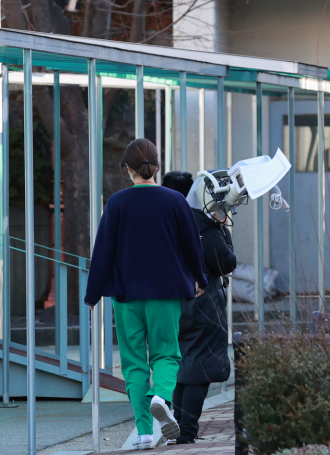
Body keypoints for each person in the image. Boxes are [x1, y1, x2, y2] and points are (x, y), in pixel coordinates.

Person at [84, 139, 208, 450]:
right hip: (166, 293)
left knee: (134, 363)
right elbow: (192, 245)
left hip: (126, 296)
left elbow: (103, 252)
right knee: (166, 354)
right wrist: (200, 277)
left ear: (126, 168)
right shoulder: (174, 201)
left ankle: (144, 433)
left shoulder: (117, 203)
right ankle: (161, 397)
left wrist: (92, 295)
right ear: (157, 167)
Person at [162, 172, 235, 445]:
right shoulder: (200, 224)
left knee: (184, 366)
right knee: (200, 367)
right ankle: (186, 430)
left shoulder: (166, 222)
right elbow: (225, 262)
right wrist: (222, 230)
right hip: (202, 304)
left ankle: (180, 425)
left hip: (173, 303)